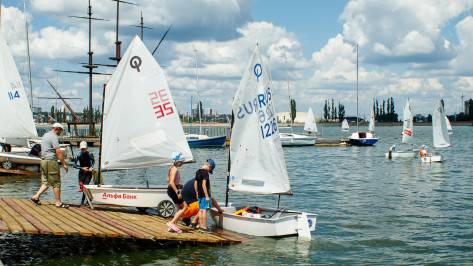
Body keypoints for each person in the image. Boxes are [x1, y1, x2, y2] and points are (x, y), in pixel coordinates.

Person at [31, 123, 69, 208]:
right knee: (56, 182)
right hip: (51, 161)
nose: (60, 133)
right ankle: (58, 202)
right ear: (57, 129)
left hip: (44, 161)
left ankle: (36, 196)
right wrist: (64, 164)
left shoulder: (45, 135)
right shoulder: (54, 136)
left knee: (46, 182)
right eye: (61, 131)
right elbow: (58, 151)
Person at [166, 152, 186, 233]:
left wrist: (179, 185)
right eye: (182, 161)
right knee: (185, 207)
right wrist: (177, 192)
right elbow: (171, 182)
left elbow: (168, 180)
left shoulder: (171, 168)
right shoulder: (175, 169)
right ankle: (172, 223)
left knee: (179, 209)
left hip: (170, 189)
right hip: (173, 190)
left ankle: (173, 226)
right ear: (179, 161)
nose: (183, 163)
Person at [195, 159, 216, 233]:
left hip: (200, 194)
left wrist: (197, 193)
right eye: (210, 169)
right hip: (204, 194)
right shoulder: (205, 172)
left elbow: (196, 183)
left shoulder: (198, 171)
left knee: (201, 210)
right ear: (209, 166)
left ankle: (201, 226)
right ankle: (204, 227)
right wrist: (207, 196)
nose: (209, 171)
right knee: (204, 210)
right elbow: (204, 184)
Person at [73, 141, 95, 205]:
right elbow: (74, 165)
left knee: (85, 185)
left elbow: (93, 162)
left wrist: (91, 168)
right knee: (82, 187)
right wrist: (81, 168)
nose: (83, 150)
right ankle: (89, 198)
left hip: (88, 172)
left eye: (84, 148)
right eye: (82, 149)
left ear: (87, 147)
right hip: (81, 172)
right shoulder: (79, 155)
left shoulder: (90, 154)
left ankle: (84, 201)